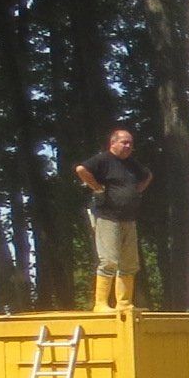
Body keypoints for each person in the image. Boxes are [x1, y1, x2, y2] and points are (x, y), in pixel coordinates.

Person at [73, 126, 152, 310]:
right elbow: (81, 169)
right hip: (107, 217)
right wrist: (97, 188)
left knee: (130, 263)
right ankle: (101, 303)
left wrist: (136, 191)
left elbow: (148, 175)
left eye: (130, 143)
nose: (128, 146)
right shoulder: (103, 159)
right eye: (124, 142)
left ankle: (124, 302)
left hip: (128, 219)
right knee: (109, 260)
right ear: (113, 143)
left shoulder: (132, 164)